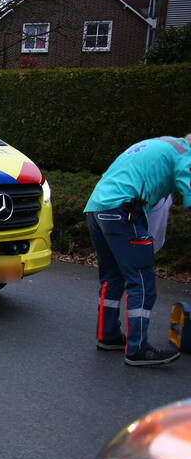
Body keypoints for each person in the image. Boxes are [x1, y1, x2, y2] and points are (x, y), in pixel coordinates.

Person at [84, 134, 191, 366]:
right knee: (142, 282)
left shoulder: (160, 144)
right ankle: (138, 349)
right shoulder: (185, 154)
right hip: (124, 211)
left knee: (112, 277)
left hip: (96, 208)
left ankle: (108, 336)